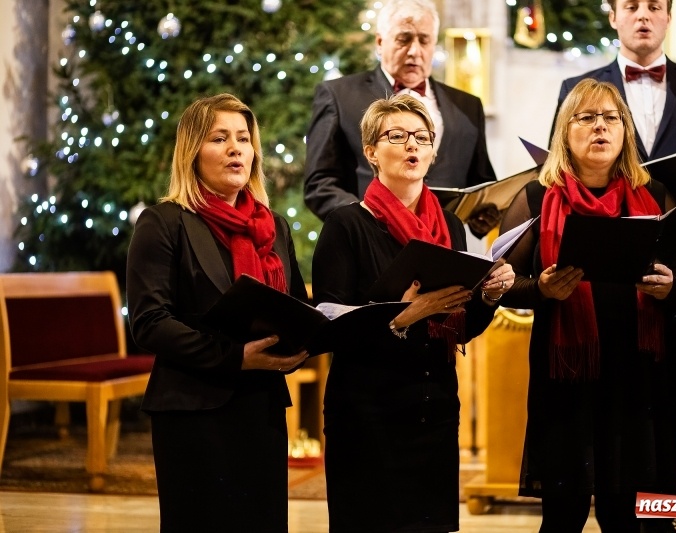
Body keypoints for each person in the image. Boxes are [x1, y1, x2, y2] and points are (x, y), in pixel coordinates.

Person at [553, 0, 676, 513]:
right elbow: (555, 166)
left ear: (668, 16)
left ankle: (659, 517)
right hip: (599, 271)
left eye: (654, 6)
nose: (643, 15)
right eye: (631, 6)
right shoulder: (580, 89)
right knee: (607, 401)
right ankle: (591, 507)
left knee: (669, 398)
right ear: (613, 16)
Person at [500, 79, 676, 533]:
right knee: (563, 515)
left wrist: (671, 284)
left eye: (610, 118)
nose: (600, 128)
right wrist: (541, 290)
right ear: (564, 132)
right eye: (586, 118)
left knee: (627, 515)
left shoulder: (657, 197)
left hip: (635, 375)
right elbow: (500, 285)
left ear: (625, 131)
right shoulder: (535, 198)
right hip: (566, 376)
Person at [312, 94, 514, 533]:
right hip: (367, 413)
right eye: (397, 136)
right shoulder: (345, 225)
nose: (412, 147)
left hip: (433, 407)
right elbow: (327, 329)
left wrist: (489, 296)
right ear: (371, 152)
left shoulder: (450, 227)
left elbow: (461, 327)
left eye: (422, 138)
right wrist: (401, 317)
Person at [126, 93, 309, 532]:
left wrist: (310, 334)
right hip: (194, 408)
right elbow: (149, 322)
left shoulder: (274, 225)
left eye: (244, 139)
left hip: (261, 405)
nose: (236, 149)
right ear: (193, 151)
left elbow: (298, 305)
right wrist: (234, 357)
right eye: (219, 138)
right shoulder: (164, 222)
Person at [303, 0, 496, 221]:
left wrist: (487, 214)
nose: (414, 51)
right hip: (370, 244)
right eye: (404, 39)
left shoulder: (467, 105)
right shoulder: (338, 96)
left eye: (424, 40)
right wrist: (364, 219)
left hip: (444, 245)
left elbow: (482, 183)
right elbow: (319, 184)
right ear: (379, 42)